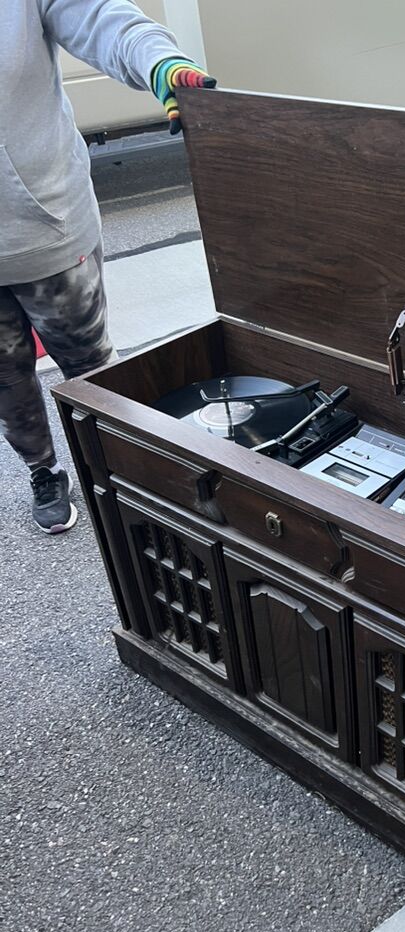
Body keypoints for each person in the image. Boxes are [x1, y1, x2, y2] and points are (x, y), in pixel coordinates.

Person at [0, 1, 216, 533]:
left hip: (45, 227)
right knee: (5, 378)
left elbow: (102, 18)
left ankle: (124, 472)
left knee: (92, 369)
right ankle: (44, 470)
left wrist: (159, 62)